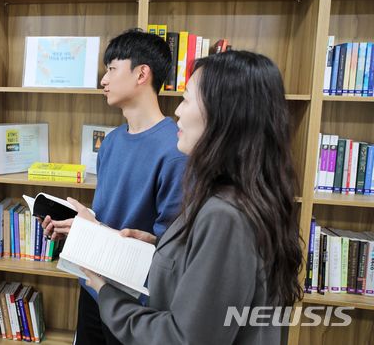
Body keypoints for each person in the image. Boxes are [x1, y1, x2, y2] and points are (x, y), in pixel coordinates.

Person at [82, 50, 303, 344]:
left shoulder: (226, 215)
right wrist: (162, 248)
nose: (177, 112)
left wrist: (106, 290)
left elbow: (183, 338)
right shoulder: (240, 196)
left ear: (223, 114)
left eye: (186, 99)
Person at [42, 29, 187, 345]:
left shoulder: (176, 149)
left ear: (141, 74)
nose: (103, 81)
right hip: (93, 286)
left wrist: (94, 228)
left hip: (135, 303)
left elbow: (170, 248)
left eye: (111, 69)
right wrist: (76, 226)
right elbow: (106, 216)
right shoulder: (111, 142)